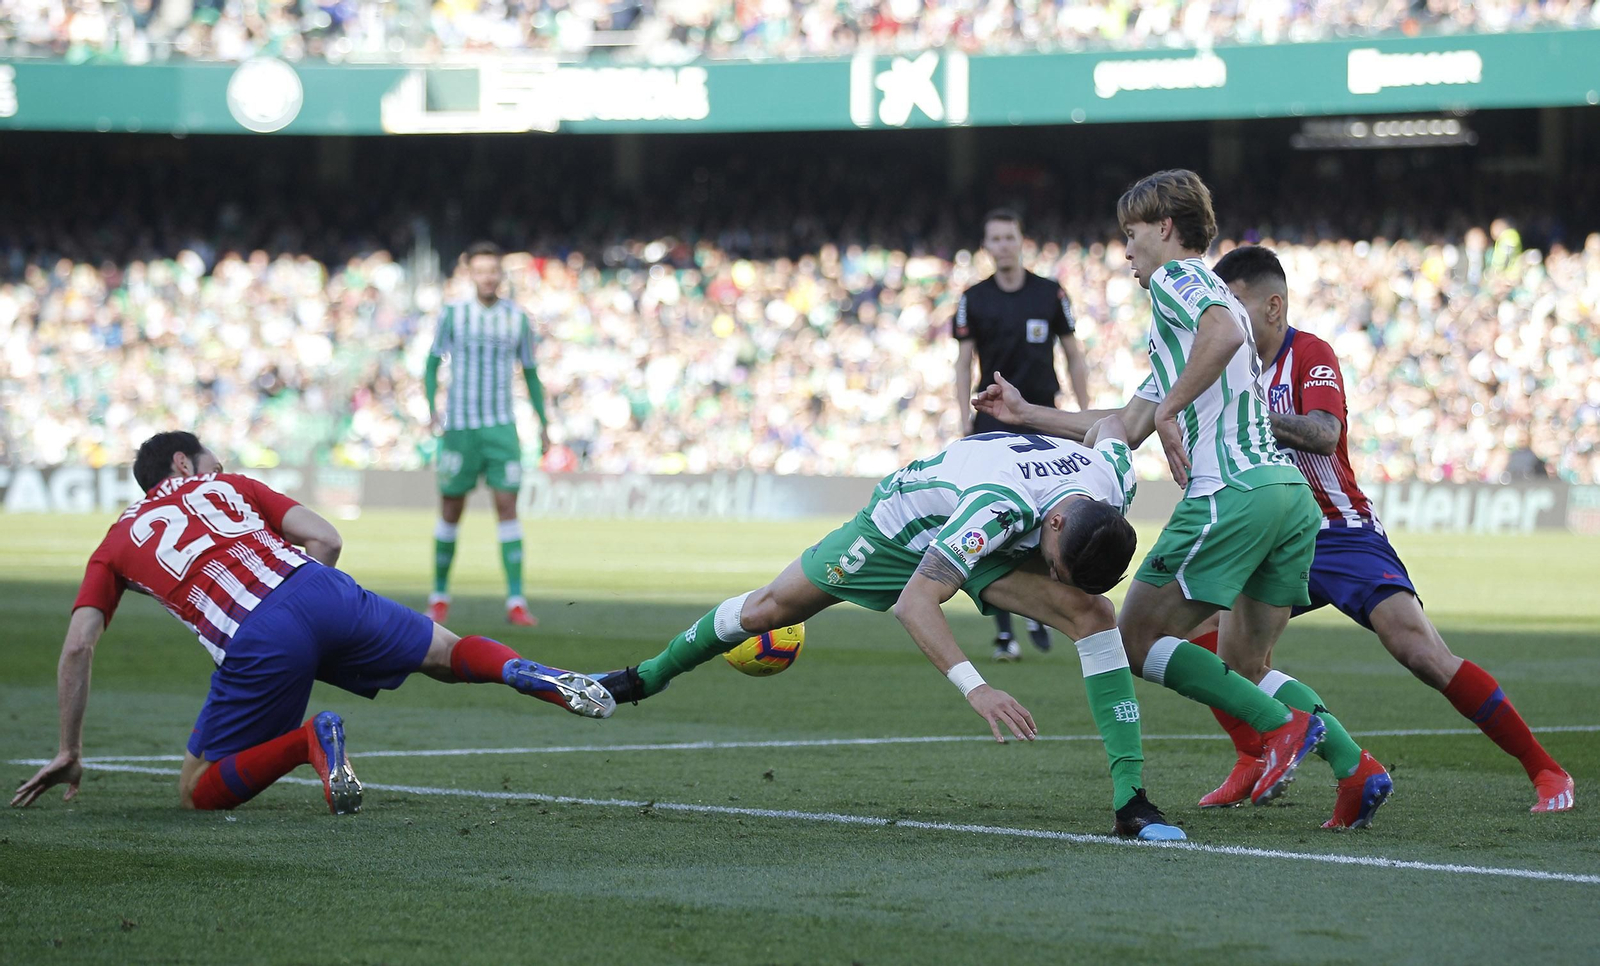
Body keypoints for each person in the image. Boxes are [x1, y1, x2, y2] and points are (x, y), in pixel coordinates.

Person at [974, 169, 1391, 830]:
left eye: (1131, 234)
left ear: (1164, 227)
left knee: (1134, 637)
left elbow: (1223, 333)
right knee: (1244, 666)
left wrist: (1171, 410)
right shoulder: (1179, 332)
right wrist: (1028, 414)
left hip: (1231, 492)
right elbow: (1127, 425)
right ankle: (1356, 767)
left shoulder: (1182, 280)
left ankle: (1279, 731)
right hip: (1285, 496)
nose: (1126, 251)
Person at [594, 424, 1185, 841]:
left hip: (993, 534)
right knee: (766, 612)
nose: (1058, 578)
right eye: (1058, 564)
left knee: (1094, 613)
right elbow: (916, 603)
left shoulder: (1114, 475)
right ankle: (644, 677)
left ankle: (1131, 801)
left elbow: (1111, 425)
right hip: (898, 530)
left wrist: (1031, 413)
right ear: (1055, 523)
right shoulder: (997, 509)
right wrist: (977, 688)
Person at [11, 432, 612, 815]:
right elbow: (326, 537)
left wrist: (70, 748)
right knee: (447, 654)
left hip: (256, 636)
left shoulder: (114, 542)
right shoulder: (228, 484)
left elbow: (77, 648)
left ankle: (309, 741)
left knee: (196, 789)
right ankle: (523, 669)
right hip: (320, 587)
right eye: (211, 458)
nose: (219, 464)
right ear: (182, 462)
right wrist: (313, 616)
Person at [1183, 245, 1573, 814]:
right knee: (1201, 637)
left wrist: (1251, 421)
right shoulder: (1226, 368)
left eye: (1236, 303)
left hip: (1338, 532)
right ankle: (1254, 756)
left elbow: (1322, 433)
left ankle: (1546, 769)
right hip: (1270, 538)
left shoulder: (1310, 353)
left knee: (1418, 650)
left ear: (1273, 306)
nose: (1228, 317)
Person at [954, 208, 1091, 661]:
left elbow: (1073, 354)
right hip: (991, 420)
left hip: (1043, 419)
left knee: (1047, 513)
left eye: (1009, 236)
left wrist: (1083, 413)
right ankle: (1005, 632)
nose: (1003, 245)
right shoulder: (972, 298)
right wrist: (962, 417)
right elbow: (962, 361)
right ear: (987, 245)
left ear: (1021, 240)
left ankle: (1040, 603)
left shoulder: (1050, 294)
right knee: (989, 519)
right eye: (995, 238)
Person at [424, 241, 552, 627]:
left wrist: (544, 422)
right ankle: (439, 597)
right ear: (470, 274)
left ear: (501, 275)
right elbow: (430, 364)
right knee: (451, 508)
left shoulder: (517, 318)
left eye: (493, 271)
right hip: (460, 427)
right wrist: (432, 408)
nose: (487, 277)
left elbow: (530, 372)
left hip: (501, 426)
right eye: (480, 271)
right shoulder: (453, 315)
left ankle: (515, 601)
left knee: (508, 508)